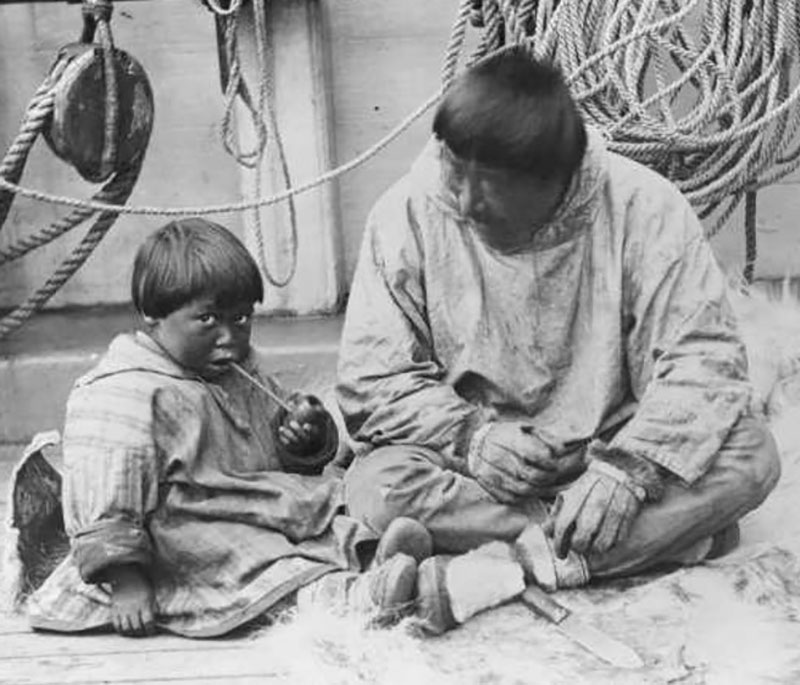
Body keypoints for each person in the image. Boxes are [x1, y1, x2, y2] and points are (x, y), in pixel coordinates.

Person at [336, 47, 782, 633]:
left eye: (490, 185)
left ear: (557, 180)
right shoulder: (406, 212)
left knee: (752, 454)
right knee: (377, 484)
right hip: (475, 469)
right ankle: (649, 542)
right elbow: (373, 380)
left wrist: (630, 467)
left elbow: (703, 359)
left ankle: (499, 562)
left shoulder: (644, 206)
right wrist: (472, 435)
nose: (467, 203)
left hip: (617, 454)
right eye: (455, 171)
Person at [26, 217, 432, 638]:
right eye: (207, 320)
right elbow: (104, 501)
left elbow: (272, 434)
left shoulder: (233, 367)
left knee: (331, 507)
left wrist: (302, 439)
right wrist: (126, 580)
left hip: (249, 499)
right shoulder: (123, 394)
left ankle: (377, 554)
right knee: (254, 560)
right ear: (153, 314)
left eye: (241, 318)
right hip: (180, 532)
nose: (228, 336)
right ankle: (357, 596)